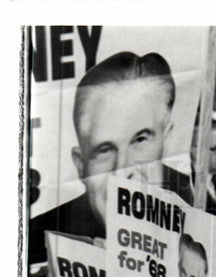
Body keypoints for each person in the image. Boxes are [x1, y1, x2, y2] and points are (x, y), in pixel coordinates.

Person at [30, 51, 191, 263]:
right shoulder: (37, 244)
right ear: (81, 165)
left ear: (167, 140)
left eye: (140, 140)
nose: (123, 170)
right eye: (105, 150)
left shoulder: (199, 213)